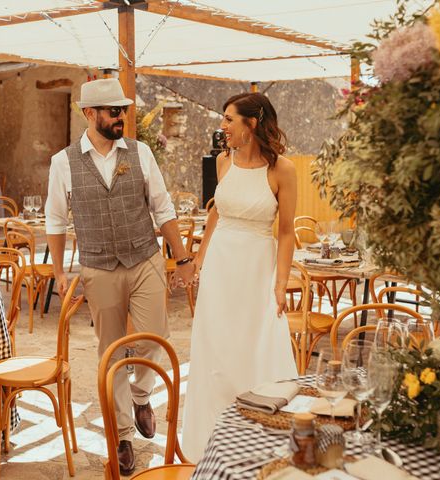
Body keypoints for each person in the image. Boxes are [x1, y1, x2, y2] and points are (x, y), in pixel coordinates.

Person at [45, 78, 196, 475]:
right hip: (98, 266)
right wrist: (60, 271)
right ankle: (123, 435)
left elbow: (162, 209)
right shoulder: (63, 163)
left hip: (145, 259)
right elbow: (56, 219)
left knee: (154, 337)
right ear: (89, 114)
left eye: (123, 111)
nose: (121, 117)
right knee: (110, 351)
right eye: (113, 111)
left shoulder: (141, 152)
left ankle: (142, 394)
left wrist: (182, 259)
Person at [181, 92, 298, 461]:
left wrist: (280, 284)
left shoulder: (283, 170)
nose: (223, 126)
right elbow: (217, 212)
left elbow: (285, 231)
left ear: (252, 124)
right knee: (216, 350)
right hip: (221, 267)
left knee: (255, 348)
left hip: (257, 268)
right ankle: (212, 444)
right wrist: (198, 259)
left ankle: (261, 443)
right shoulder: (222, 162)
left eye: (229, 119)